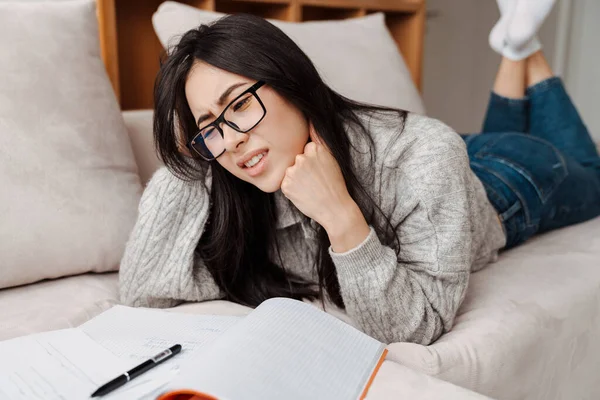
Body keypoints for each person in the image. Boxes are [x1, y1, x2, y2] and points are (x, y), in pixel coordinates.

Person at [118, 0, 600, 345]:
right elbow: (141, 290)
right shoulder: (232, 165)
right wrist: (187, 159)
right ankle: (516, 44)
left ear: (293, 82)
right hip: (443, 168)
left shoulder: (425, 155)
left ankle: (522, 44)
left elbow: (418, 326)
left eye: (240, 105)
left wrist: (341, 218)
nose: (234, 138)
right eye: (211, 127)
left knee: (592, 174)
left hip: (511, 184)